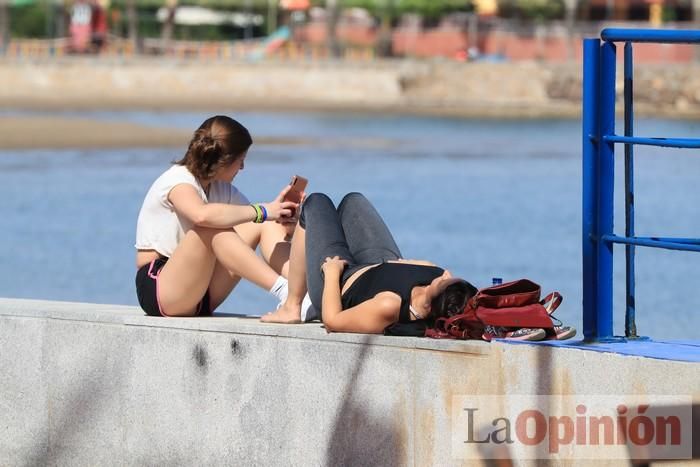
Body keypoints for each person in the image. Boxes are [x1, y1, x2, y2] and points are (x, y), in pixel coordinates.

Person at [135, 115, 299, 317]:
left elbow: (255, 221)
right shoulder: (177, 180)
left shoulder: (222, 189)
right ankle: (283, 290)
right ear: (224, 161)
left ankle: (301, 293)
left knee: (262, 223)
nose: (242, 168)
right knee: (211, 227)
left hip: (202, 291)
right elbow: (201, 216)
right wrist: (262, 210)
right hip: (160, 287)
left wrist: (283, 218)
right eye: (240, 160)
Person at [261, 192, 477, 333]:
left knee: (316, 203)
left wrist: (332, 274)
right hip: (379, 264)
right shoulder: (434, 278)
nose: (446, 274)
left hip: (341, 280)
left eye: (444, 282)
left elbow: (333, 322)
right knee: (352, 201)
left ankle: (291, 307)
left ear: (432, 303)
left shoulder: (389, 304)